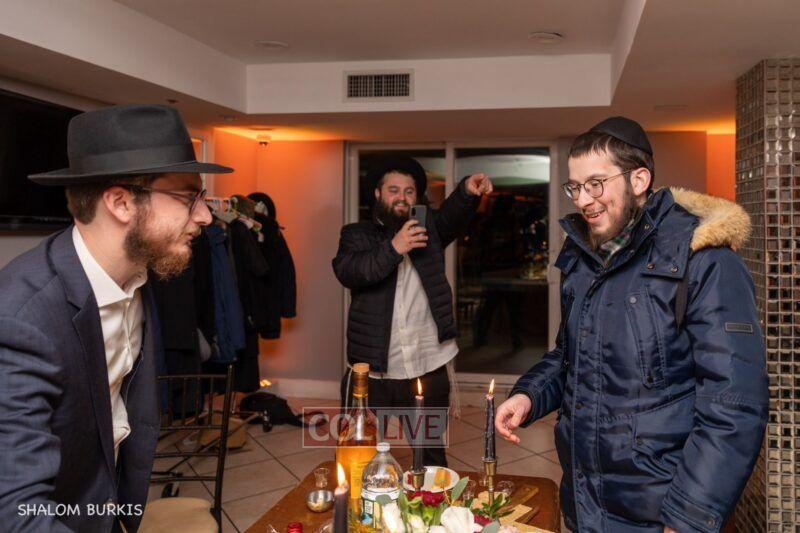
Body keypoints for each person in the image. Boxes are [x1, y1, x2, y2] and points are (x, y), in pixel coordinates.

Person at [494, 117, 768, 532]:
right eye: (575, 187)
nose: (583, 200)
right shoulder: (583, 258)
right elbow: (569, 357)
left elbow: (734, 404)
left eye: (596, 184)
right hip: (587, 504)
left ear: (639, 180)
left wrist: (688, 517)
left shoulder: (705, 260)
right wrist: (528, 396)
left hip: (662, 514)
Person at [0, 104, 232, 532]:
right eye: (189, 198)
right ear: (122, 203)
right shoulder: (21, 319)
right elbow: (16, 513)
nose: (204, 216)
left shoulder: (141, 275)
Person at [333, 155, 492, 466]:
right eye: (393, 190)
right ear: (378, 194)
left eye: (409, 192)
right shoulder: (355, 234)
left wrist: (466, 190)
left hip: (427, 366)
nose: (402, 198)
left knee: (430, 457)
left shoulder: (428, 231)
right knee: (359, 457)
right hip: (373, 373)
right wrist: (395, 247)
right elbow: (350, 272)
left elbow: (452, 215)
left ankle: (431, 499)